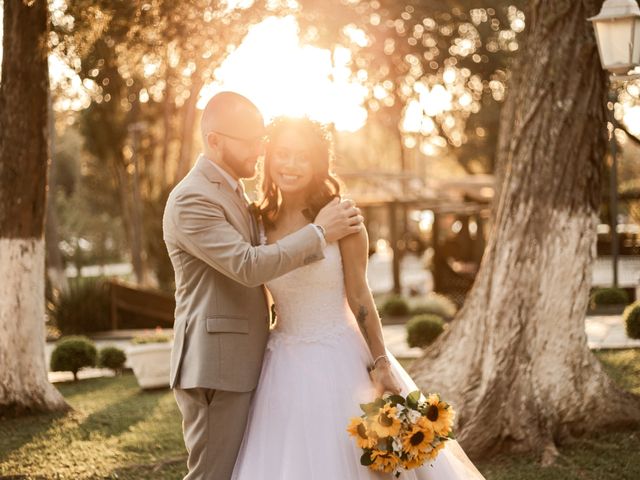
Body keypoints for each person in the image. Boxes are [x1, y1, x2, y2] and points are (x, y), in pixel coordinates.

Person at [230, 117, 485, 479]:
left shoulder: (343, 217)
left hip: (342, 358)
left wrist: (381, 362)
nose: (290, 165)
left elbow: (360, 295)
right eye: (282, 154)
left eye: (302, 157)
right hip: (280, 364)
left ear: (318, 163)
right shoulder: (257, 222)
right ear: (268, 158)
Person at [162, 92, 363, 480]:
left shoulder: (237, 193)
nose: (260, 149)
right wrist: (320, 232)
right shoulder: (193, 198)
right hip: (216, 365)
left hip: (250, 359)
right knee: (212, 475)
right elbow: (247, 265)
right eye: (250, 140)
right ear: (215, 141)